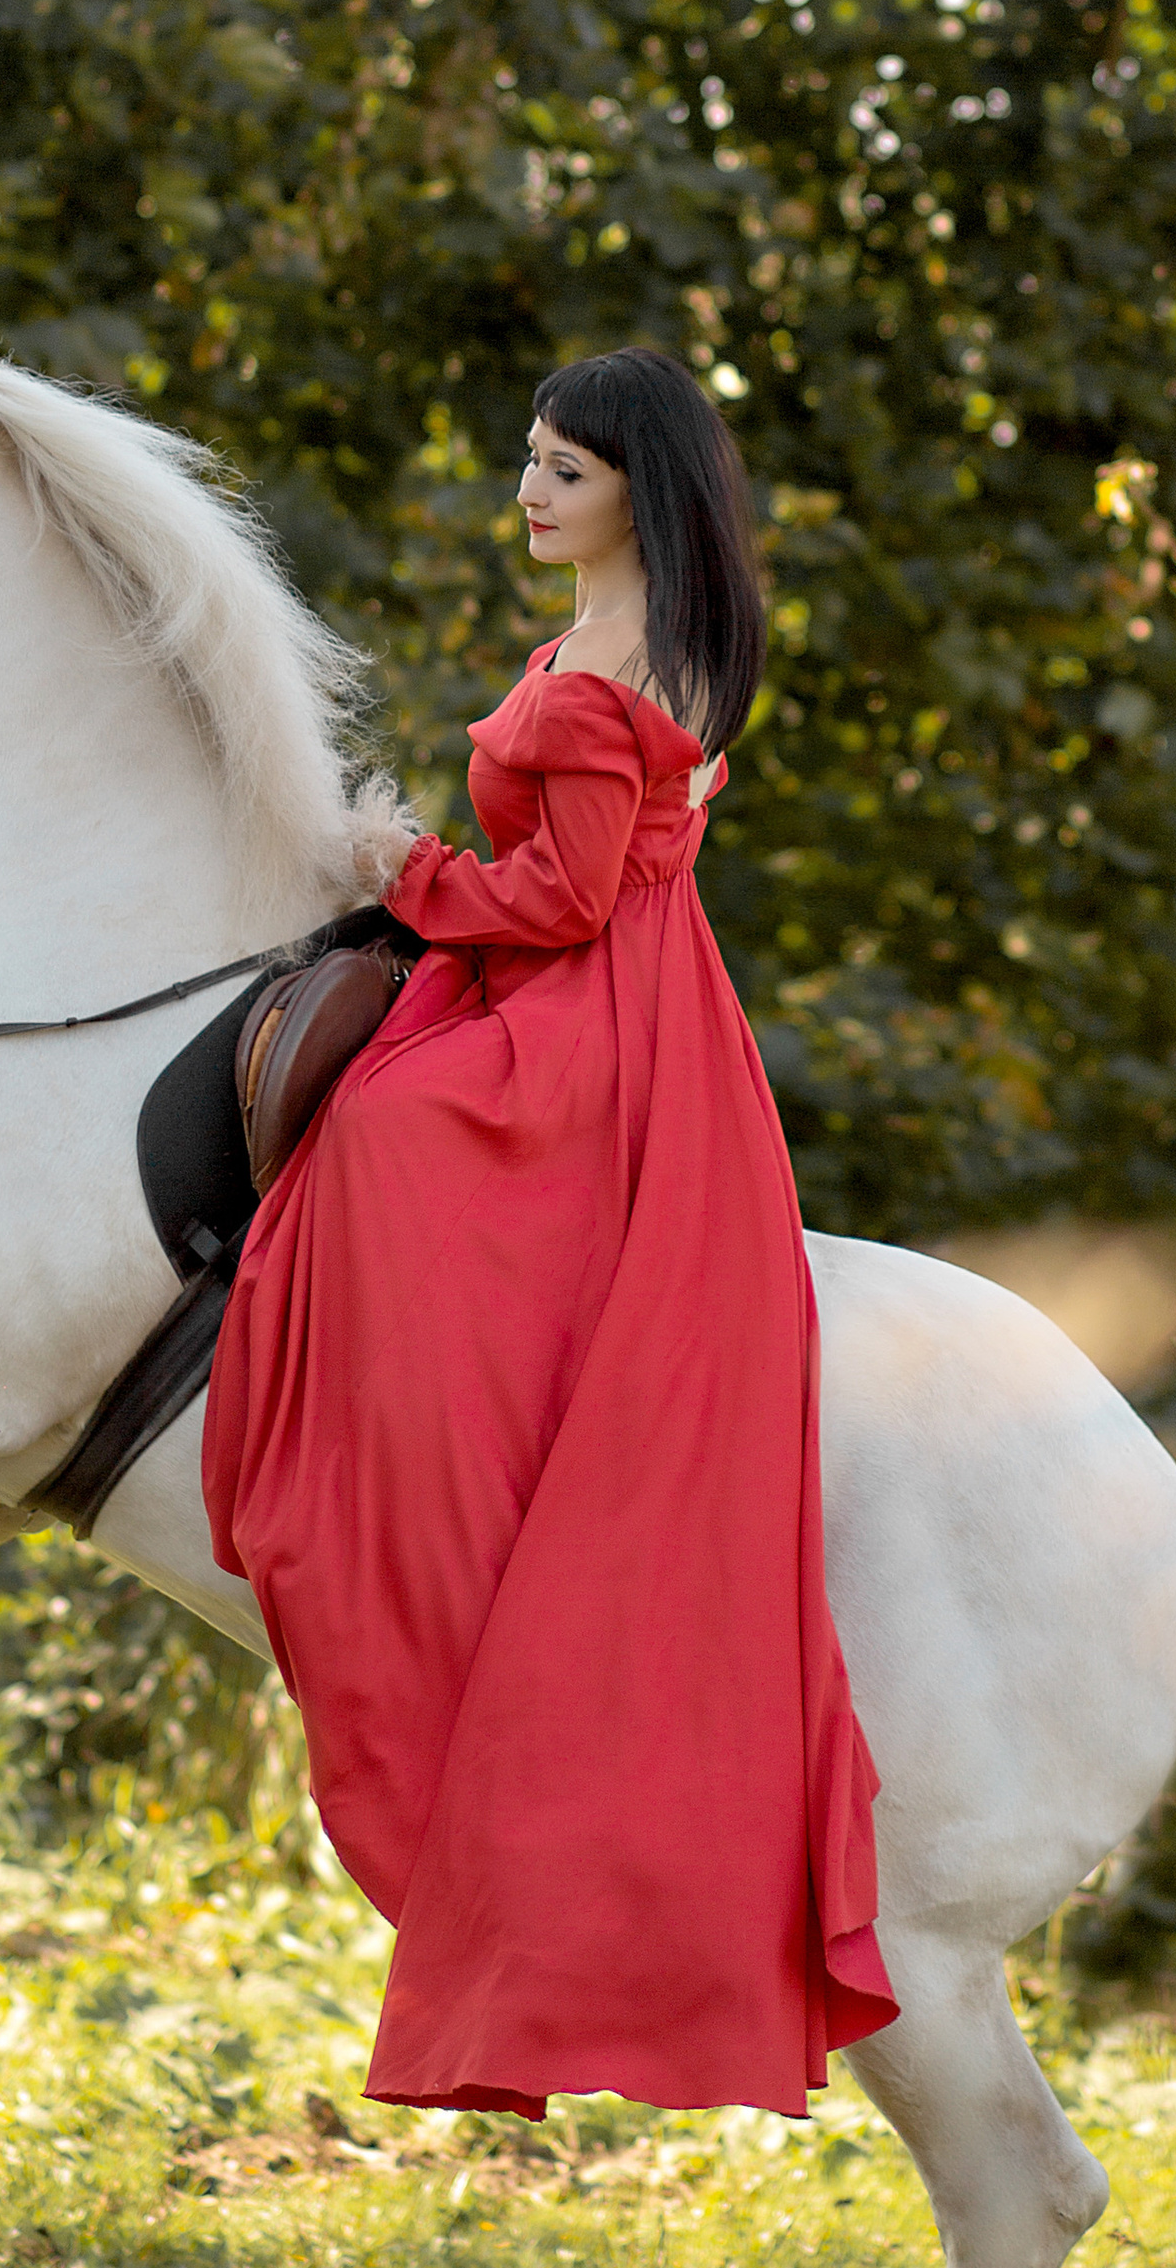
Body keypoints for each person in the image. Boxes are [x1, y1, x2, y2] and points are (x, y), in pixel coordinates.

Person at [202, 346, 895, 2118]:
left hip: (595, 1025)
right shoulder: (609, 639)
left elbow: (571, 897)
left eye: (564, 471)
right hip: (625, 1001)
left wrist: (400, 872)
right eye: (529, 460)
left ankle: (367, 1428)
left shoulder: (615, 671)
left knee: (380, 1139)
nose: (530, 490)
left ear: (634, 493)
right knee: (371, 1112)